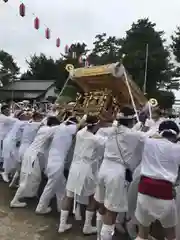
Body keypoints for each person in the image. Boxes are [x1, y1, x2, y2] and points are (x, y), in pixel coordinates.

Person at [94, 106, 145, 240]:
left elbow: (99, 135)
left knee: (102, 207)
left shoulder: (107, 131)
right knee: (111, 212)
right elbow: (150, 138)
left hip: (103, 168)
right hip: (116, 173)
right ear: (132, 120)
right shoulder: (135, 134)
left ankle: (99, 236)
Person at [59, 115, 106, 235]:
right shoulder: (96, 139)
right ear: (95, 125)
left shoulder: (80, 133)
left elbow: (82, 126)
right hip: (87, 170)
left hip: (75, 168)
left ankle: (62, 225)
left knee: (68, 196)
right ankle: (87, 226)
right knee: (93, 197)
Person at [135, 120, 180, 240]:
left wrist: (152, 129)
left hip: (144, 192)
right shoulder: (177, 148)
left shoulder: (147, 142)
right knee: (171, 236)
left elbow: (140, 134)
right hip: (165, 195)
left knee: (142, 234)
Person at [35, 116, 86, 215]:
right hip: (57, 163)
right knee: (50, 186)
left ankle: (60, 207)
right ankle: (40, 207)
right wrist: (83, 118)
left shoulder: (60, 127)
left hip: (51, 161)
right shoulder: (68, 128)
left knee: (61, 186)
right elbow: (80, 125)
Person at [10, 116, 60, 208]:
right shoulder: (49, 130)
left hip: (30, 154)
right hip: (32, 156)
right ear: (53, 125)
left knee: (34, 178)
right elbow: (61, 127)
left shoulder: (43, 128)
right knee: (27, 180)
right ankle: (14, 201)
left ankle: (31, 194)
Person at [1, 110, 30, 183]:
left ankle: (10, 173)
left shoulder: (21, 122)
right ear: (21, 116)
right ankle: (5, 173)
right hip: (11, 142)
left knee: (15, 159)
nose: (27, 115)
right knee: (9, 159)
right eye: (25, 115)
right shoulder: (20, 122)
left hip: (14, 142)